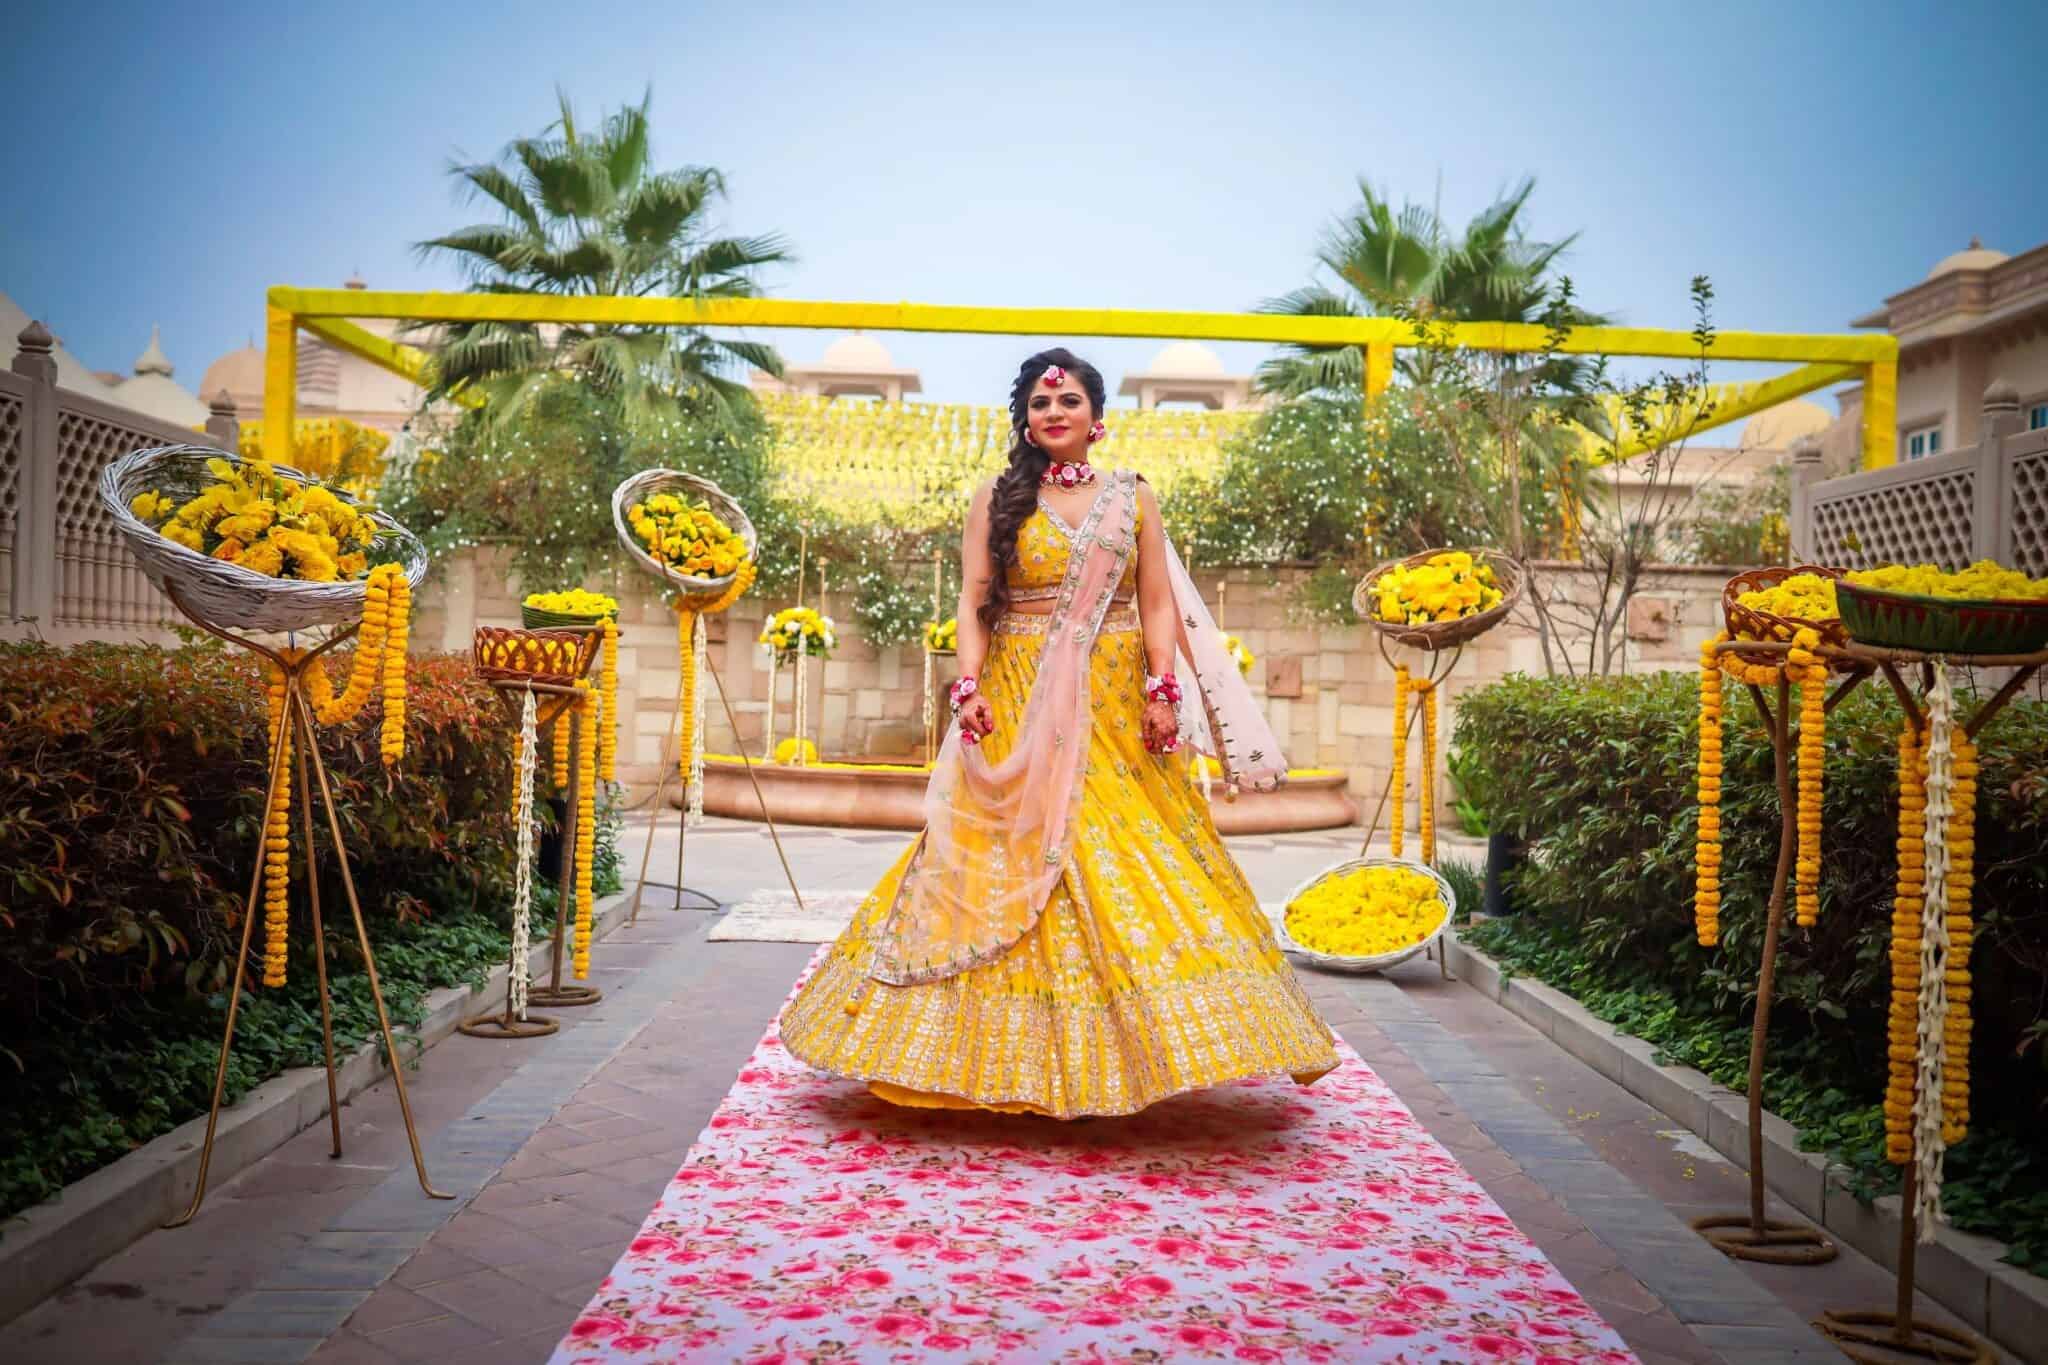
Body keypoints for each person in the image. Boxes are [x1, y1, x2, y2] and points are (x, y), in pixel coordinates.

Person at [779, 348, 1337, 1118]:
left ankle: (1157, 1049)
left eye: (1068, 401)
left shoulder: (1132, 498)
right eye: (1040, 405)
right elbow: (977, 602)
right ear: (1027, 419)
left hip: (1112, 700)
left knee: (1132, 845)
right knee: (1001, 847)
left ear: (1095, 418)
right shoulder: (997, 499)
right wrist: (968, 687)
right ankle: (973, 1060)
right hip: (1019, 688)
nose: (1053, 414)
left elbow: (1156, 604)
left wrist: (1162, 687)